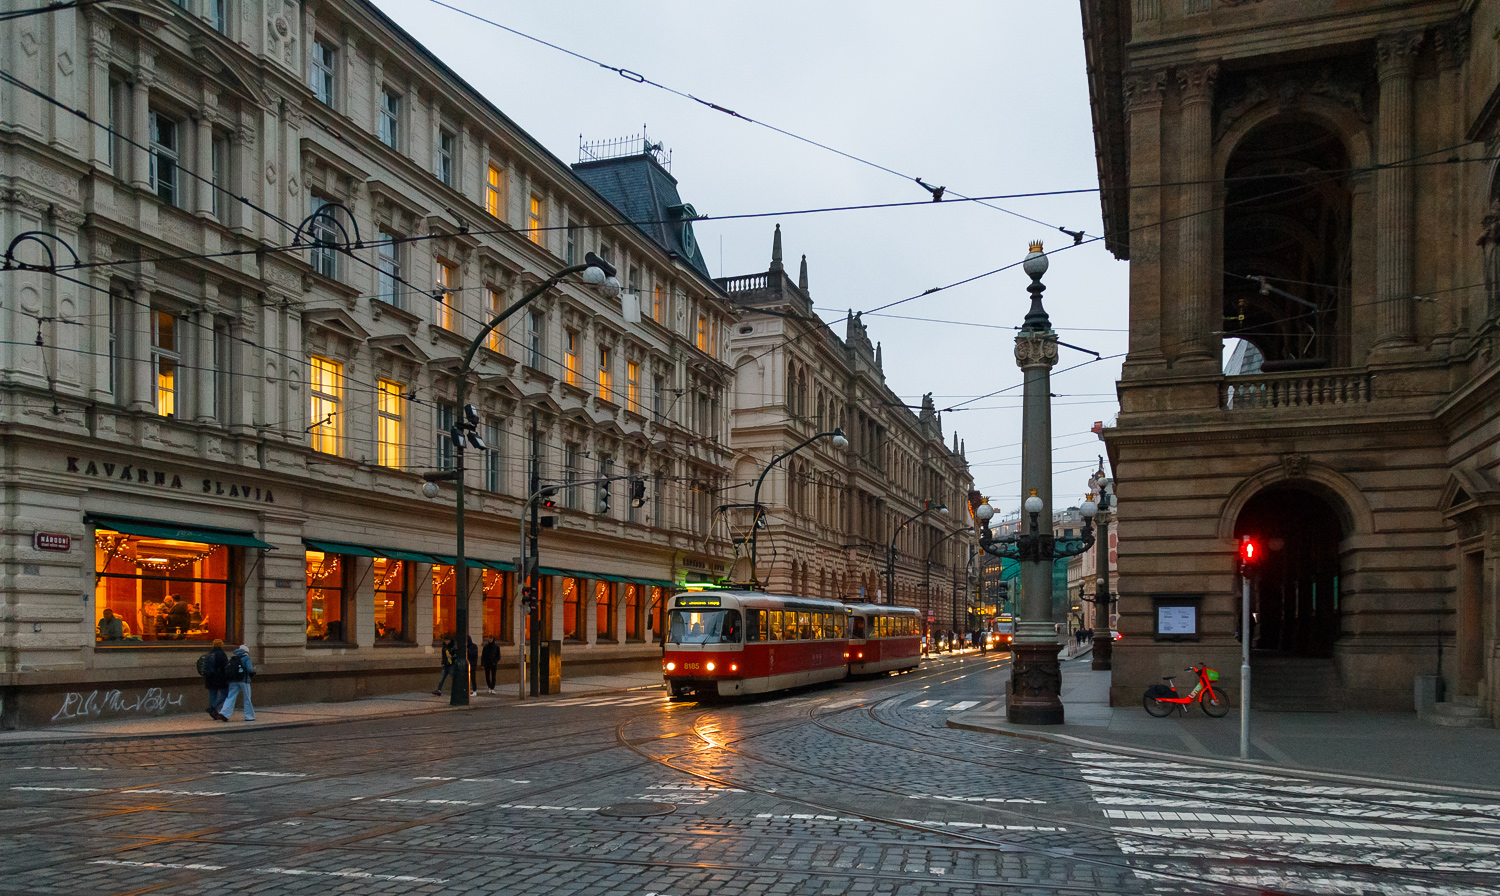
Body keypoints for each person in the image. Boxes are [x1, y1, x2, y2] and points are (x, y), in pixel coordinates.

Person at [217, 644, 255, 721]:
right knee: (247, 698)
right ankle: (249, 716)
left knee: (231, 696)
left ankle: (224, 713)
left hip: (233, 680)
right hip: (244, 680)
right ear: (246, 651)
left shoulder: (233, 658)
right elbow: (250, 669)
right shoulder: (246, 658)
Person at [202, 639, 229, 720]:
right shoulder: (222, 654)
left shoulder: (210, 654)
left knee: (212, 695)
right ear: (221, 645)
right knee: (224, 694)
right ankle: (213, 707)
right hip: (220, 678)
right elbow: (225, 667)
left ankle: (214, 713)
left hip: (210, 678)